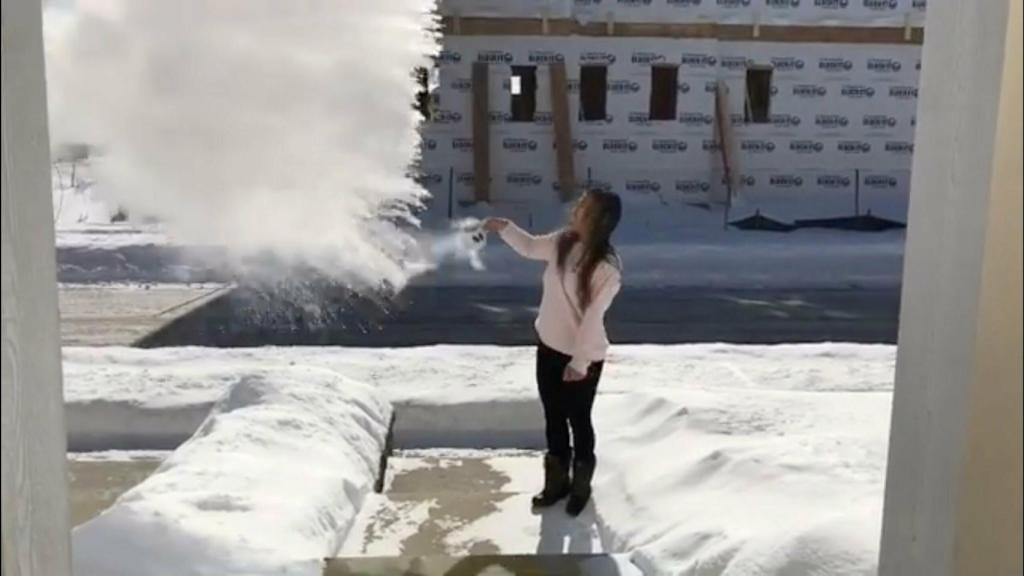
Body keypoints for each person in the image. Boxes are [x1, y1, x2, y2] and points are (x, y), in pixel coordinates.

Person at [483, 190, 623, 517]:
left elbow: (592, 318)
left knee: (579, 419)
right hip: (548, 346)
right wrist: (505, 228)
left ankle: (580, 487)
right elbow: (531, 247)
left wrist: (580, 363)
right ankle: (556, 484)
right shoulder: (562, 242)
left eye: (584, 209)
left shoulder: (607, 268)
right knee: (553, 417)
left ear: (600, 220)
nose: (576, 211)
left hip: (582, 356)